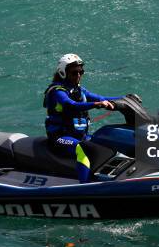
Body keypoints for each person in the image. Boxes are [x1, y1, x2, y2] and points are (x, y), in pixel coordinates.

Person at [43, 54, 122, 183]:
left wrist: (125, 98)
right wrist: (95, 105)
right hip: (60, 137)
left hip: (80, 135)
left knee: (105, 141)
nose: (78, 75)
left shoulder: (78, 90)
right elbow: (71, 105)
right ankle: (84, 187)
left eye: (81, 72)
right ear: (63, 73)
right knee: (82, 149)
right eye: (74, 73)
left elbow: (101, 98)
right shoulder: (57, 91)